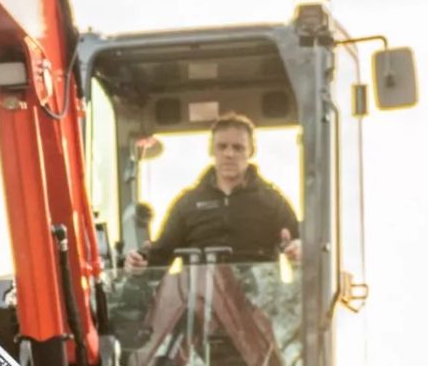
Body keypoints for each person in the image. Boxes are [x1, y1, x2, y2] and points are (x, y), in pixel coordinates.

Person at [125, 114, 301, 270]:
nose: (229, 154)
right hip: (202, 302)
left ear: (251, 151)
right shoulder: (187, 204)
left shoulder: (273, 202)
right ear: (212, 150)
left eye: (238, 147)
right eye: (222, 147)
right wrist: (140, 261)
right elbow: (161, 254)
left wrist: (298, 249)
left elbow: (300, 244)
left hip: (256, 301)